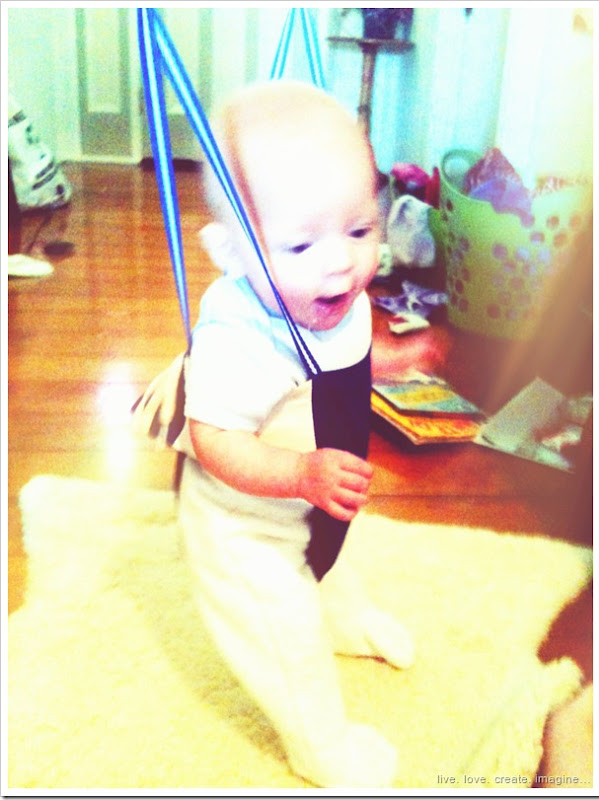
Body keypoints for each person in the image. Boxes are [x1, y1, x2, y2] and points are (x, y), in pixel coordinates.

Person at [175, 80, 425, 788]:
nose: (340, 261)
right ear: (231, 252)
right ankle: (324, 753)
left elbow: (348, 350)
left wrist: (392, 358)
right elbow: (214, 441)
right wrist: (298, 475)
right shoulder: (238, 340)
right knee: (284, 637)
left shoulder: (332, 294)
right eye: (301, 242)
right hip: (244, 525)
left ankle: (344, 620)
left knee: (335, 557)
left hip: (312, 498)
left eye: (360, 230)